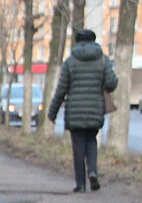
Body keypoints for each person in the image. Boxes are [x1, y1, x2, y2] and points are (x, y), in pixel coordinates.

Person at [47, 29, 118, 192]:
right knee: (91, 141)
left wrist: (52, 113)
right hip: (95, 109)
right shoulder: (102, 60)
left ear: (77, 42)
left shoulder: (70, 62)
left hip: (75, 111)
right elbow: (111, 84)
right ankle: (92, 171)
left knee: (78, 145)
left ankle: (80, 184)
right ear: (94, 41)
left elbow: (61, 90)